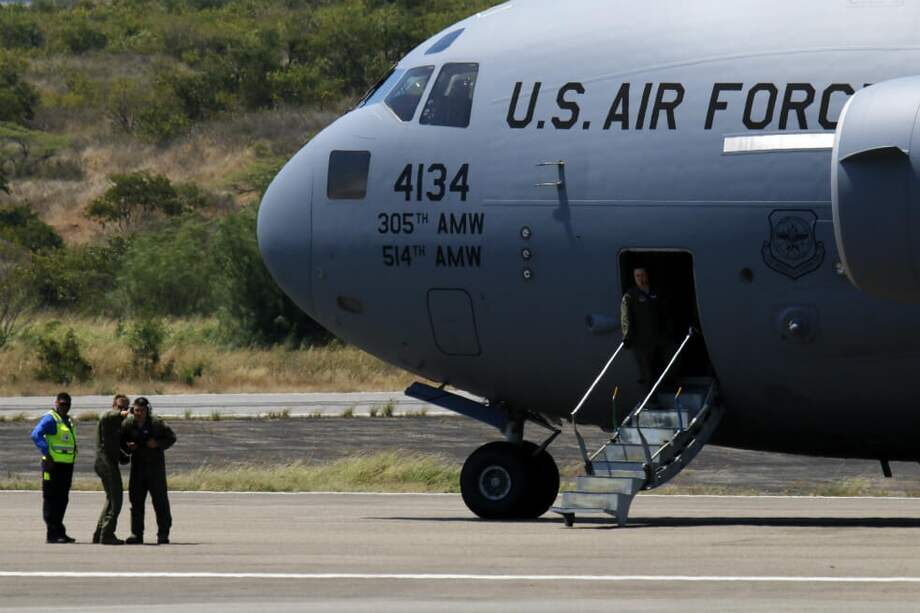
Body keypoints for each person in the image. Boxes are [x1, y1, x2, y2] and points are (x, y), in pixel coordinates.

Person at [122, 397, 176, 545]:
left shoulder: (157, 423)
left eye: (142, 410)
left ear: (148, 410)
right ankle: (136, 534)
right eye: (136, 410)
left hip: (155, 469)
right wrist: (128, 447)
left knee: (160, 502)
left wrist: (157, 444)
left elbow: (171, 438)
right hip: (137, 469)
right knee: (136, 502)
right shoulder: (128, 423)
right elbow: (121, 440)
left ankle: (163, 534)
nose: (139, 413)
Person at [30, 392, 77, 544]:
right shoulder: (51, 418)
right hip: (52, 465)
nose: (64, 407)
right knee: (51, 498)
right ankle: (52, 533)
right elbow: (36, 434)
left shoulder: (67, 420)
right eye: (62, 404)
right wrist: (47, 453)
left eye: (67, 404)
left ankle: (59, 531)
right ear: (56, 403)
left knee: (62, 499)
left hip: (66, 465)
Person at [620, 267, 676, 390]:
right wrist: (627, 336)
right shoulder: (630, 296)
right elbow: (626, 318)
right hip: (642, 339)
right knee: (646, 369)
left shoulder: (656, 292)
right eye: (637, 276)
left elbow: (665, 312)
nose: (640, 278)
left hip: (660, 335)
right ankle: (651, 397)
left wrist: (669, 329)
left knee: (671, 359)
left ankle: (669, 385)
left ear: (647, 275)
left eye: (642, 275)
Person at [92, 394, 131, 545]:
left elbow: (115, 445)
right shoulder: (108, 419)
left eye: (126, 407)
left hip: (109, 463)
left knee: (110, 499)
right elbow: (106, 416)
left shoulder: (119, 425)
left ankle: (100, 533)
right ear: (114, 406)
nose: (123, 410)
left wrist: (124, 454)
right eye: (120, 407)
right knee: (116, 500)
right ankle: (107, 534)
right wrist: (121, 413)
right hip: (105, 463)